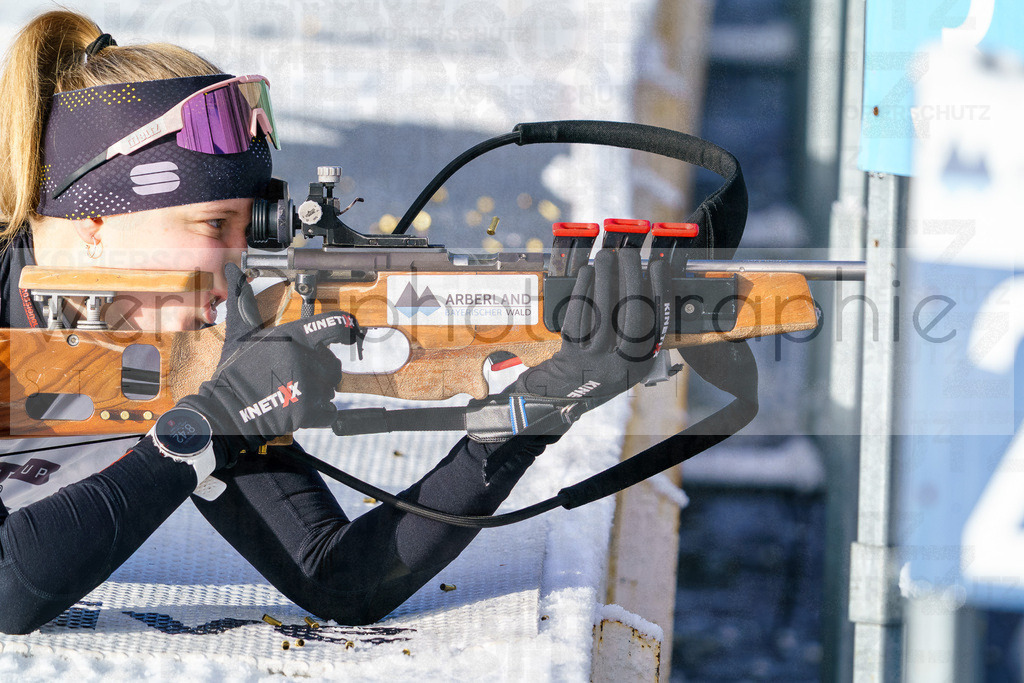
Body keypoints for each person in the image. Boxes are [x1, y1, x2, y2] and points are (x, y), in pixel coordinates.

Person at [0, 10, 667, 635]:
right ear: (94, 222)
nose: (240, 260)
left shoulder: (182, 339)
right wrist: (200, 434)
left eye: (248, 226)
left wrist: (533, 413)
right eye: (212, 225)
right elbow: (10, 592)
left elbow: (341, 576)